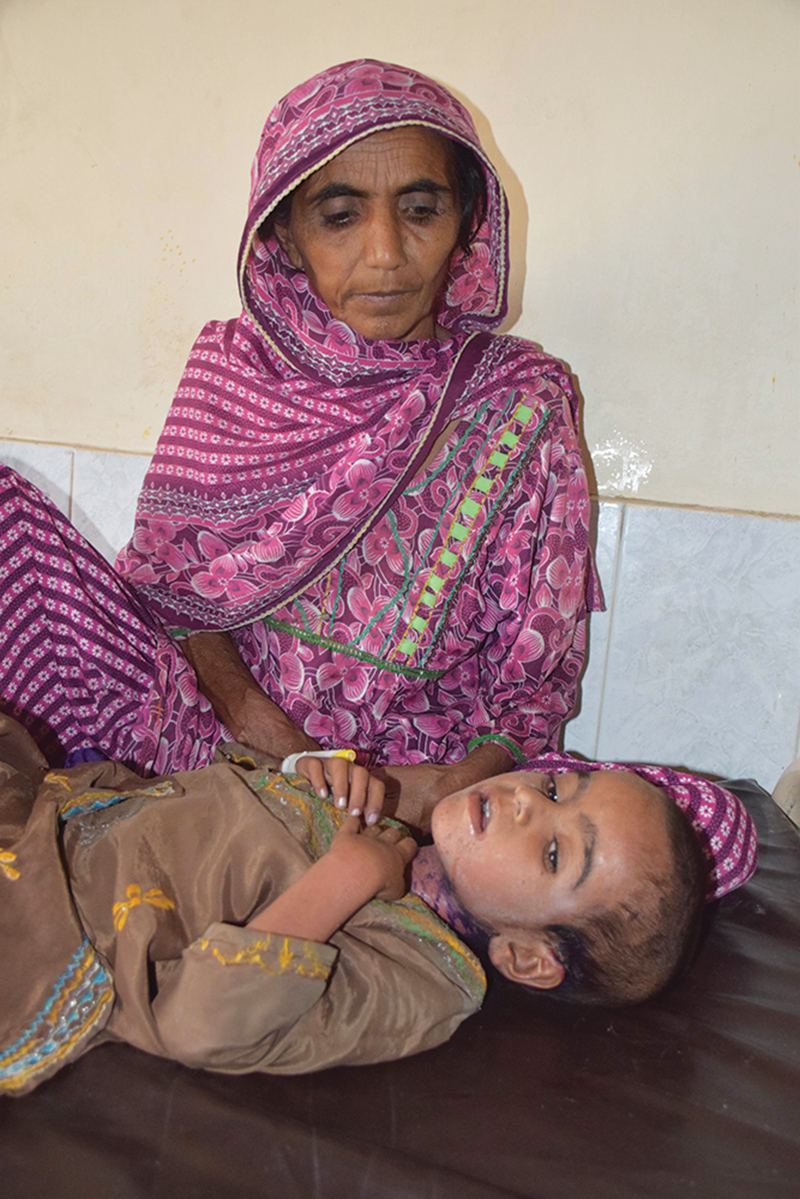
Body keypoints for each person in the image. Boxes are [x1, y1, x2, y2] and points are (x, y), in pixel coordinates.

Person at [107, 58, 603, 814]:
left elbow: (533, 692)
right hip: (226, 777)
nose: (384, 253)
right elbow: (171, 598)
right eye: (340, 216)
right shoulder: (231, 374)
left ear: (467, 221)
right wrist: (289, 761)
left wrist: (408, 803)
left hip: (425, 810)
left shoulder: (519, 405)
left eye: (420, 209)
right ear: (284, 232)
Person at [0, 715, 756, 1096]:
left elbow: (200, 1024)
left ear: (527, 956)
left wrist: (346, 876)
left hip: (50, 924)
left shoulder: (421, 981)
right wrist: (308, 777)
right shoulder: (398, 834)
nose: (528, 800)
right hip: (58, 813)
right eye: (558, 786)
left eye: (556, 852)